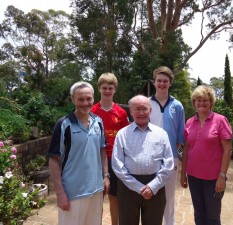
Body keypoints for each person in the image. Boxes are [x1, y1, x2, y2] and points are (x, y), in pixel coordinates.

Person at [48, 81, 110, 225]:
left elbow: (102, 149)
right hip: (72, 193)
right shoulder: (64, 124)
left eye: (88, 99)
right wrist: (60, 193)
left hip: (96, 190)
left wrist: (105, 176)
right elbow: (54, 159)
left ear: (93, 99)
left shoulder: (98, 122)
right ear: (73, 100)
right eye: (80, 99)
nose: (85, 103)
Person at [112, 95, 174, 225]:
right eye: (137, 109)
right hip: (127, 186)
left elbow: (168, 164)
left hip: (155, 185)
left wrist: (153, 186)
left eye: (144, 109)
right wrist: (138, 187)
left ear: (150, 110)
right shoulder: (122, 134)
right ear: (131, 111)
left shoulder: (161, 134)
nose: (141, 113)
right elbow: (117, 165)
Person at [180, 85, 233, 225]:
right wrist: (182, 173)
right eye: (198, 100)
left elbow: (228, 150)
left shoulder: (220, 120)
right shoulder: (190, 122)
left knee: (213, 216)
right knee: (199, 213)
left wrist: (222, 176)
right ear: (194, 102)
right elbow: (186, 149)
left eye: (205, 100)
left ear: (211, 102)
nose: (201, 103)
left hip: (213, 178)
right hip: (193, 176)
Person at [91, 72, 129, 225]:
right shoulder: (92, 111)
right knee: (96, 198)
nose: (107, 91)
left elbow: (126, 137)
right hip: (95, 159)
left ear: (115, 90)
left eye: (110, 88)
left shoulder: (121, 113)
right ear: (99, 89)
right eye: (104, 88)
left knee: (115, 198)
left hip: (115, 159)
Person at [149, 66, 185, 225]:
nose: (162, 84)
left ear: (170, 83)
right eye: (159, 80)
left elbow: (180, 134)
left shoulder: (177, 105)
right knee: (152, 192)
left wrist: (172, 155)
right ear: (154, 82)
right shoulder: (147, 103)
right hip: (149, 157)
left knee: (169, 196)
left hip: (171, 158)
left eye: (165, 81)